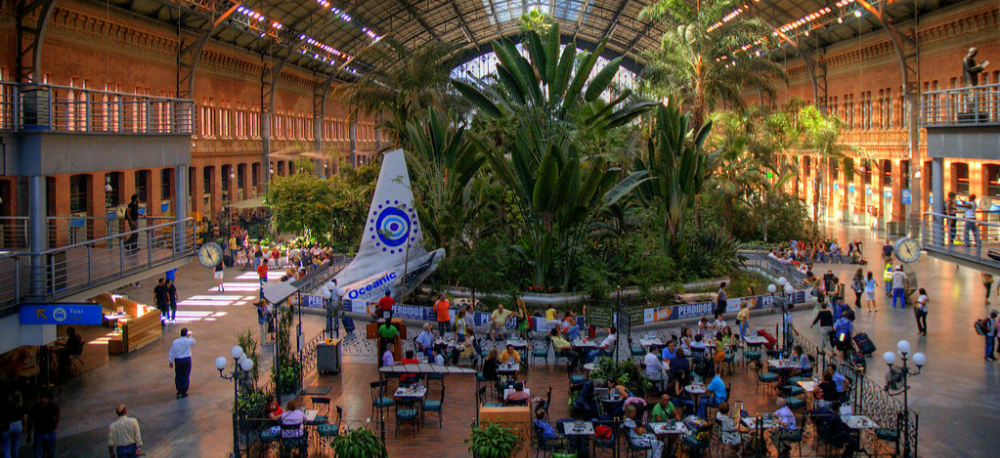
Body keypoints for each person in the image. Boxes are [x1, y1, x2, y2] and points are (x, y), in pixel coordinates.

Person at [27, 391, 59, 458]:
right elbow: (57, 417)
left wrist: (29, 434)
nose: (43, 400)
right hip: (45, 432)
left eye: (45, 398)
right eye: (43, 398)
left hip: (42, 432)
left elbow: (30, 422)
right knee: (49, 451)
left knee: (41, 452)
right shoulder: (53, 407)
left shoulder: (35, 408)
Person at [168, 328, 196, 398]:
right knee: (186, 375)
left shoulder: (175, 342)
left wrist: (170, 361)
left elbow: (172, 351)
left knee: (178, 375)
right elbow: (194, 342)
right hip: (186, 359)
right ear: (186, 334)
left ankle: (179, 390)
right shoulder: (188, 341)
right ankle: (184, 390)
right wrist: (190, 336)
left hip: (178, 360)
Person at [2, 388, 26, 458]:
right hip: (18, 424)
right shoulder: (20, 404)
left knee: (6, 446)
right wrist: (25, 425)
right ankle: (14, 455)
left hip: (8, 424)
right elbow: (24, 415)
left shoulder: (6, 404)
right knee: (16, 443)